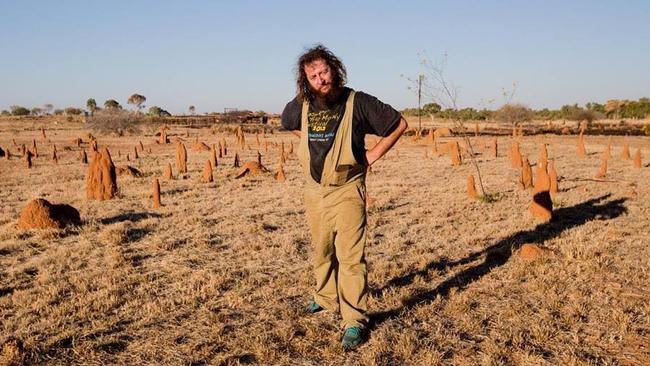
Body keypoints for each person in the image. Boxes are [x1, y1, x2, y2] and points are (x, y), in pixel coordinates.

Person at [281, 44, 408, 350]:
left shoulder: (358, 102)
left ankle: (354, 320)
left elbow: (399, 124)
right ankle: (324, 297)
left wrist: (372, 155)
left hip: (348, 189)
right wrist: (308, 140)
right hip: (315, 191)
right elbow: (288, 124)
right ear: (305, 80)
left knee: (350, 258)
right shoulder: (303, 104)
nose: (320, 79)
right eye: (312, 75)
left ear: (334, 70)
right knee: (322, 250)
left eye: (323, 71)